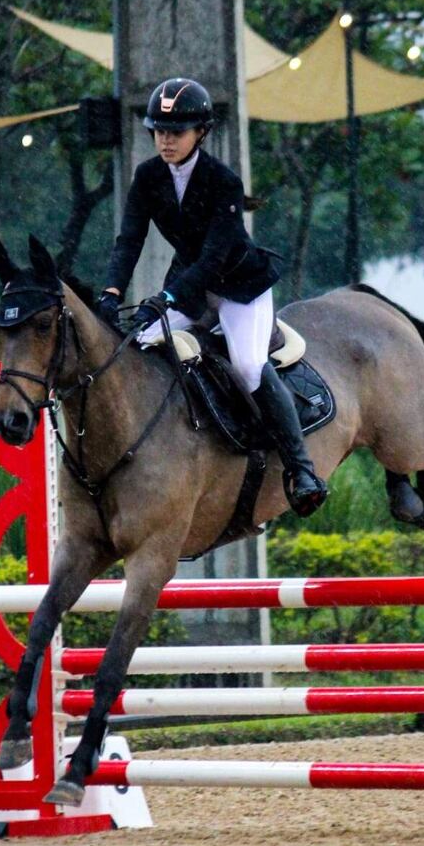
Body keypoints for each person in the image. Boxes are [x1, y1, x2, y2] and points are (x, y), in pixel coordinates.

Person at [96, 76, 327, 517]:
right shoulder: (147, 177)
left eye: (175, 132)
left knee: (247, 365)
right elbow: (128, 241)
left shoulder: (222, 181)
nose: (165, 140)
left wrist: (164, 297)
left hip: (239, 286)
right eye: (159, 131)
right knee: (139, 345)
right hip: (190, 286)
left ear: (200, 132)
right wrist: (110, 293)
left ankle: (302, 469)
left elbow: (214, 258)